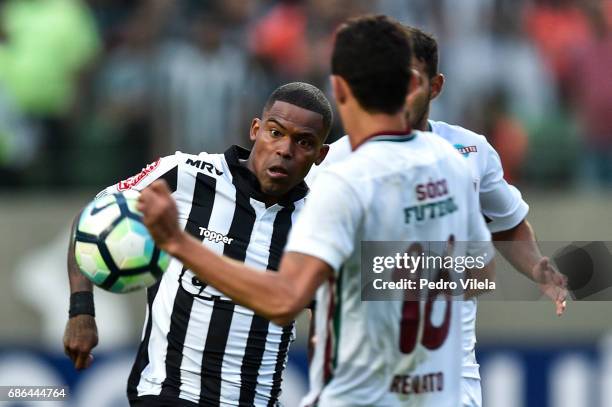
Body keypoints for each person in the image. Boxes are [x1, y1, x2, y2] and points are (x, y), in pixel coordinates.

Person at [137, 15, 495, 406]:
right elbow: (480, 271)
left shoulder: (343, 180)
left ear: (341, 88)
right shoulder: (455, 165)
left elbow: (284, 299)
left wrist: (177, 243)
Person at [308, 27, 568, 407]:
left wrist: (537, 269)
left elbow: (508, 224)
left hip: (450, 375)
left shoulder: (470, 151)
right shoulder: (335, 161)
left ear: (435, 86)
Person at [63, 82, 333, 406]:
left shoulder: (319, 222)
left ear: (320, 155)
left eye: (304, 142)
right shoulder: (185, 175)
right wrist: (81, 311)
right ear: (255, 130)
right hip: (166, 394)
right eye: (276, 133)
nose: (285, 150)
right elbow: (92, 217)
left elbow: (330, 319)